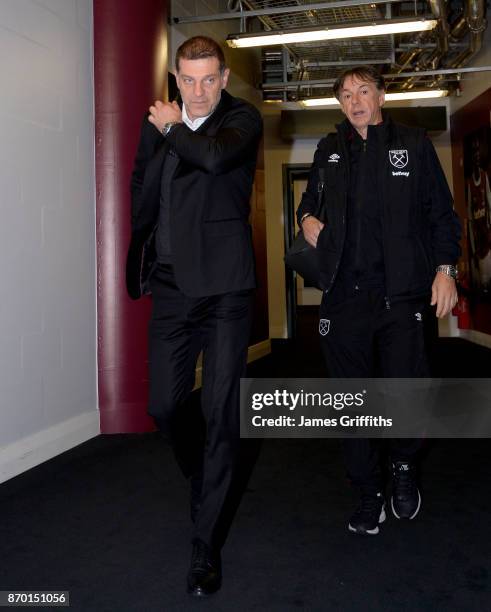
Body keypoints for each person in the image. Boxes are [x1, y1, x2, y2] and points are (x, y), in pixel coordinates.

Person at [297, 66, 461, 535]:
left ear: (381, 96)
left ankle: (404, 469)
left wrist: (445, 270)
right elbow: (310, 202)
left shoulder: (412, 143)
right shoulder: (329, 149)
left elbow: (441, 214)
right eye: (346, 95)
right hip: (344, 300)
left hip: (401, 296)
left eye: (363, 90)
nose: (355, 100)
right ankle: (367, 491)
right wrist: (307, 216)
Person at [128, 36, 262, 595]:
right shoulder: (158, 122)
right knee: (163, 405)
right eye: (189, 79)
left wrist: (169, 129)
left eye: (209, 79)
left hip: (227, 289)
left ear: (224, 77)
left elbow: (209, 157)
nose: (199, 90)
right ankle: (203, 479)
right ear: (175, 78)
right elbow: (140, 188)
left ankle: (206, 547)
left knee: (220, 409)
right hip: (173, 287)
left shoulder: (243, 120)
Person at [466, 135, 491, 294]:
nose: (476, 156)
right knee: (481, 279)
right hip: (477, 236)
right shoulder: (469, 183)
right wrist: (473, 246)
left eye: (477, 151)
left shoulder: (484, 177)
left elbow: (489, 200)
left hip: (487, 234)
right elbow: (469, 216)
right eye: (473, 152)